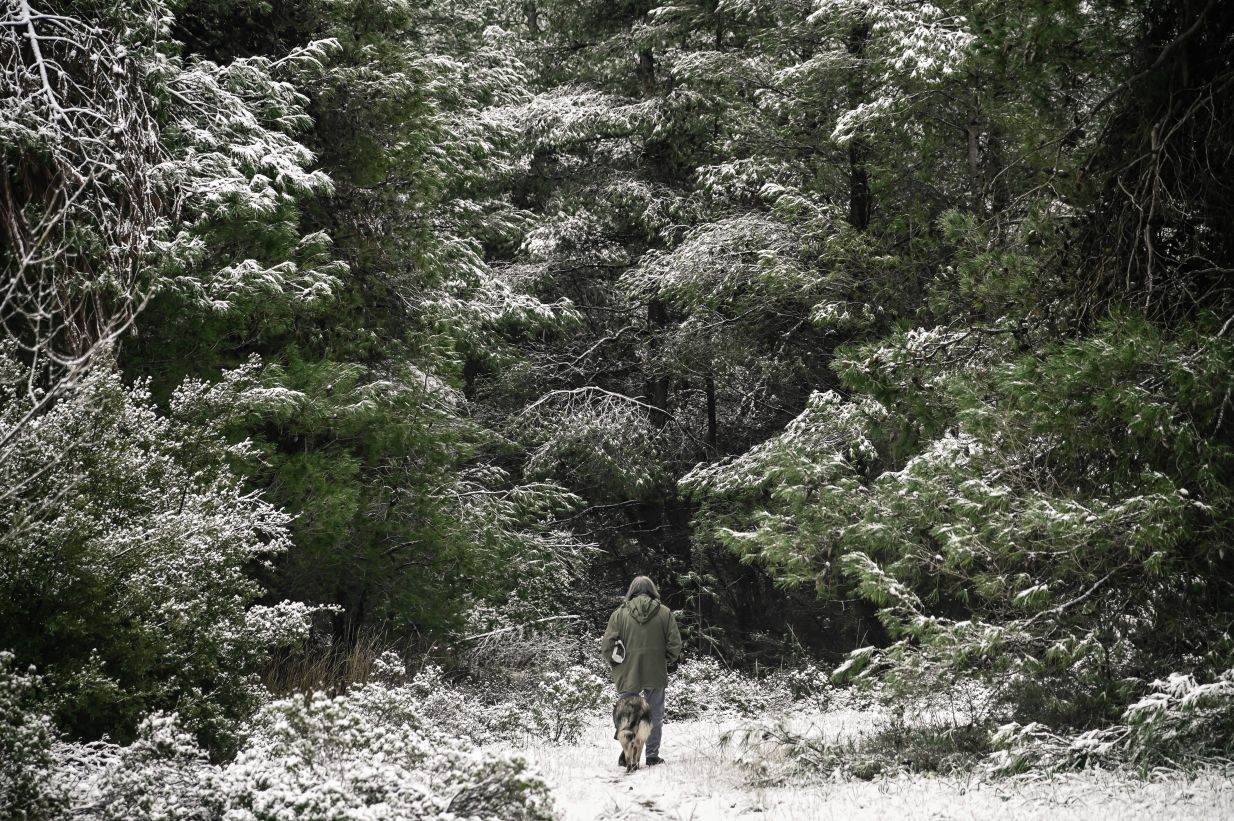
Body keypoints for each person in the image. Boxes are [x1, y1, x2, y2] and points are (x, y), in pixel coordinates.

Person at [600, 575, 682, 767]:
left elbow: (607, 645)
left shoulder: (619, 614)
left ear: (631, 591)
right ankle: (652, 755)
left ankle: (628, 750)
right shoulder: (664, 613)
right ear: (652, 590)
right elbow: (675, 643)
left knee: (627, 714)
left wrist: (617, 662)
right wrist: (666, 659)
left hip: (628, 671)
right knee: (654, 714)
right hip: (655, 670)